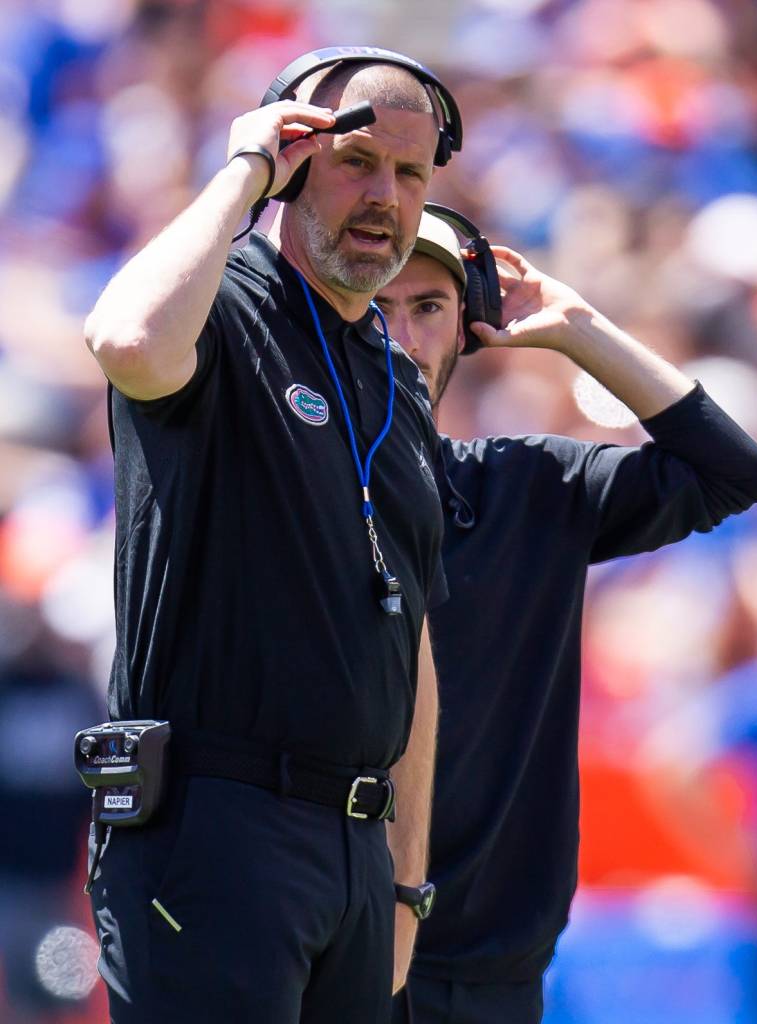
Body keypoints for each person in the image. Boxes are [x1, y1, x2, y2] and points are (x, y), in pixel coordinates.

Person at [82, 51, 457, 1024]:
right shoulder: (221, 301)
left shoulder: (395, 376)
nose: (384, 197)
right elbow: (125, 340)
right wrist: (242, 168)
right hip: (216, 828)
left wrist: (405, 883)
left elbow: (408, 638)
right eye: (358, 161)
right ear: (291, 157)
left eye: (410, 175)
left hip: (352, 856)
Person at [376, 210, 757, 1024]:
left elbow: (731, 469)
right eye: (378, 306)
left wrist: (575, 326)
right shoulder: (282, 499)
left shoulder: (523, 487)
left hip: (487, 960)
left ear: (468, 328)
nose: (401, 337)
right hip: (322, 945)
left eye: (428, 307)